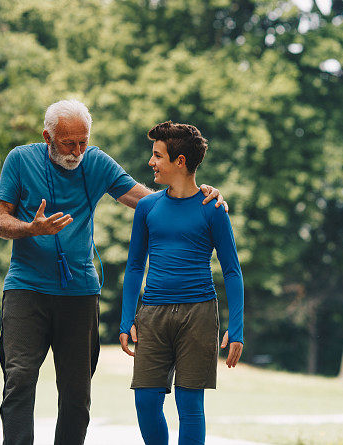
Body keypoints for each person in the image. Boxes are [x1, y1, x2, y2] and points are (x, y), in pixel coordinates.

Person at [0, 100, 226, 445]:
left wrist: (196, 194)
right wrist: (31, 228)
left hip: (80, 293)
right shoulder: (20, 160)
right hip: (27, 289)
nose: (77, 151)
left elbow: (149, 201)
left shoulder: (96, 162)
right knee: (19, 379)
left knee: (76, 394)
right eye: (68, 143)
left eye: (83, 141)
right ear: (47, 137)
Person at [119, 121, 244, 445]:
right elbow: (134, 267)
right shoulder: (147, 206)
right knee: (145, 401)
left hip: (198, 316)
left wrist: (237, 327)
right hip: (153, 314)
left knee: (189, 405)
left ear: (180, 161)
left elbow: (231, 270)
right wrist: (126, 318)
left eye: (158, 156)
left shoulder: (213, 208)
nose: (151, 162)